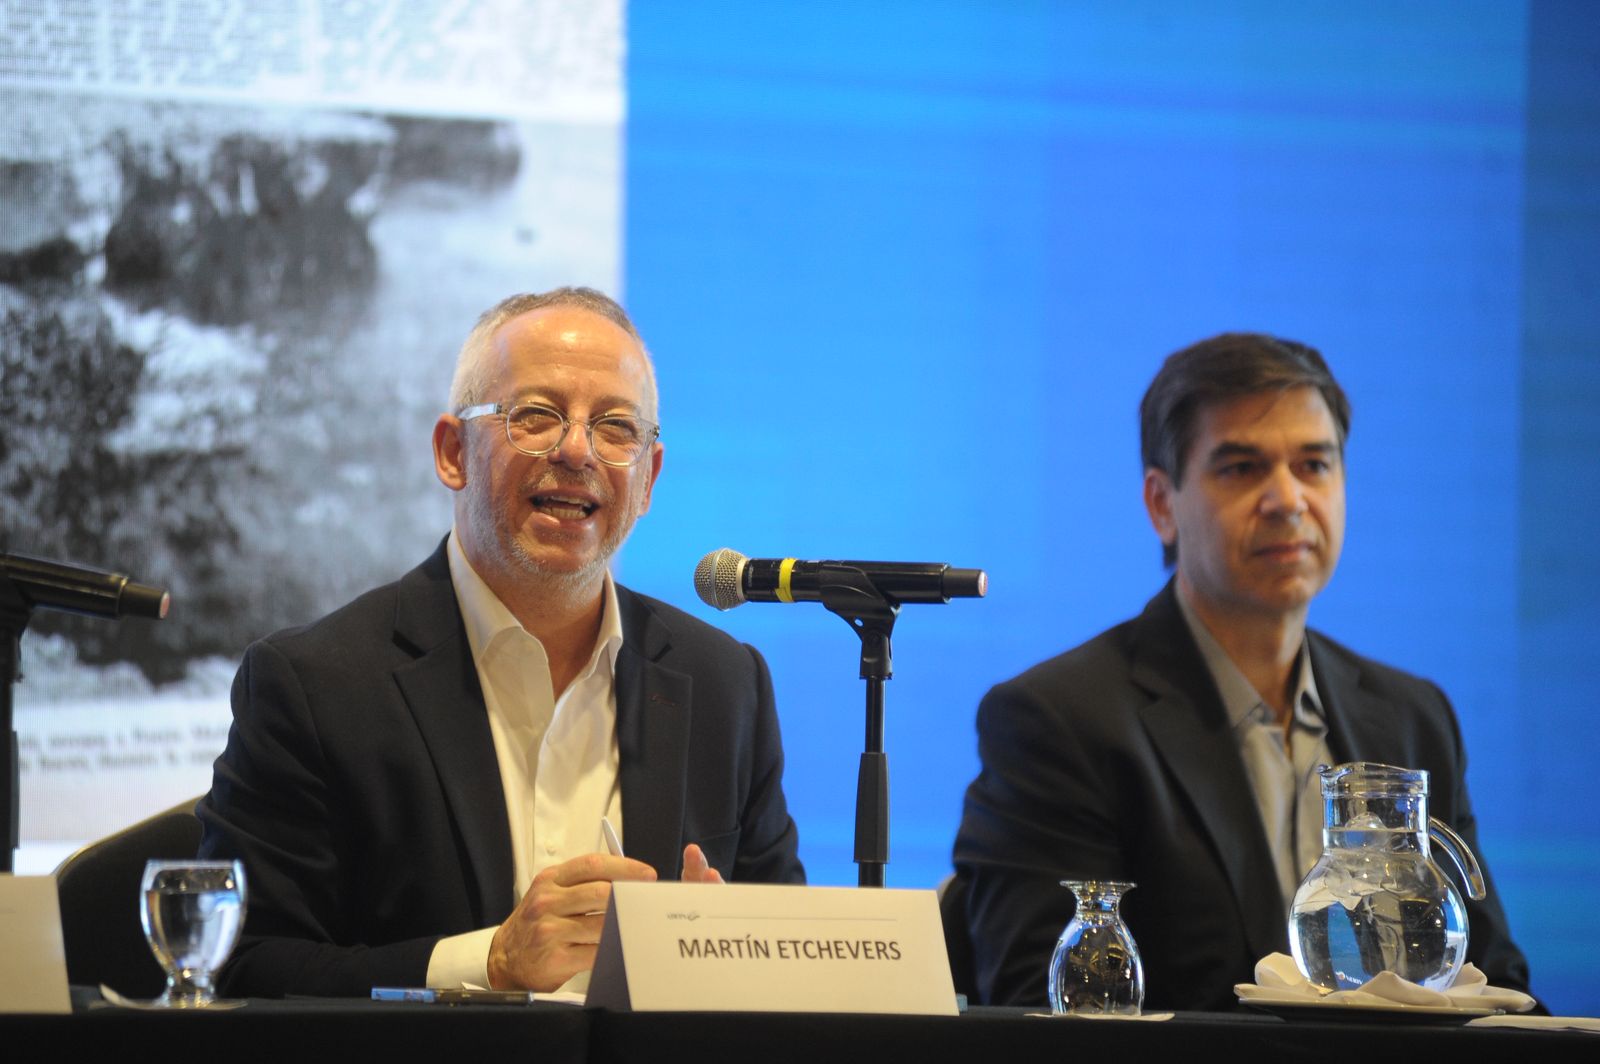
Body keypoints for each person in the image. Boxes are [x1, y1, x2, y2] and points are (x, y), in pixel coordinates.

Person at [199, 287, 803, 997]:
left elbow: (781, 964)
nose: (577, 450)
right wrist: (486, 965)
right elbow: (245, 969)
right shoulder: (311, 684)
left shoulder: (726, 685)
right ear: (452, 452)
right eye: (537, 416)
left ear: (648, 480)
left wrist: (729, 954)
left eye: (615, 428)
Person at [950, 333, 1532, 1011]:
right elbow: (1046, 1008)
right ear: (1162, 504)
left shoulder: (1411, 718)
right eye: (1241, 468)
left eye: (1314, 465)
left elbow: (1496, 985)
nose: (1287, 499)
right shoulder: (1060, 720)